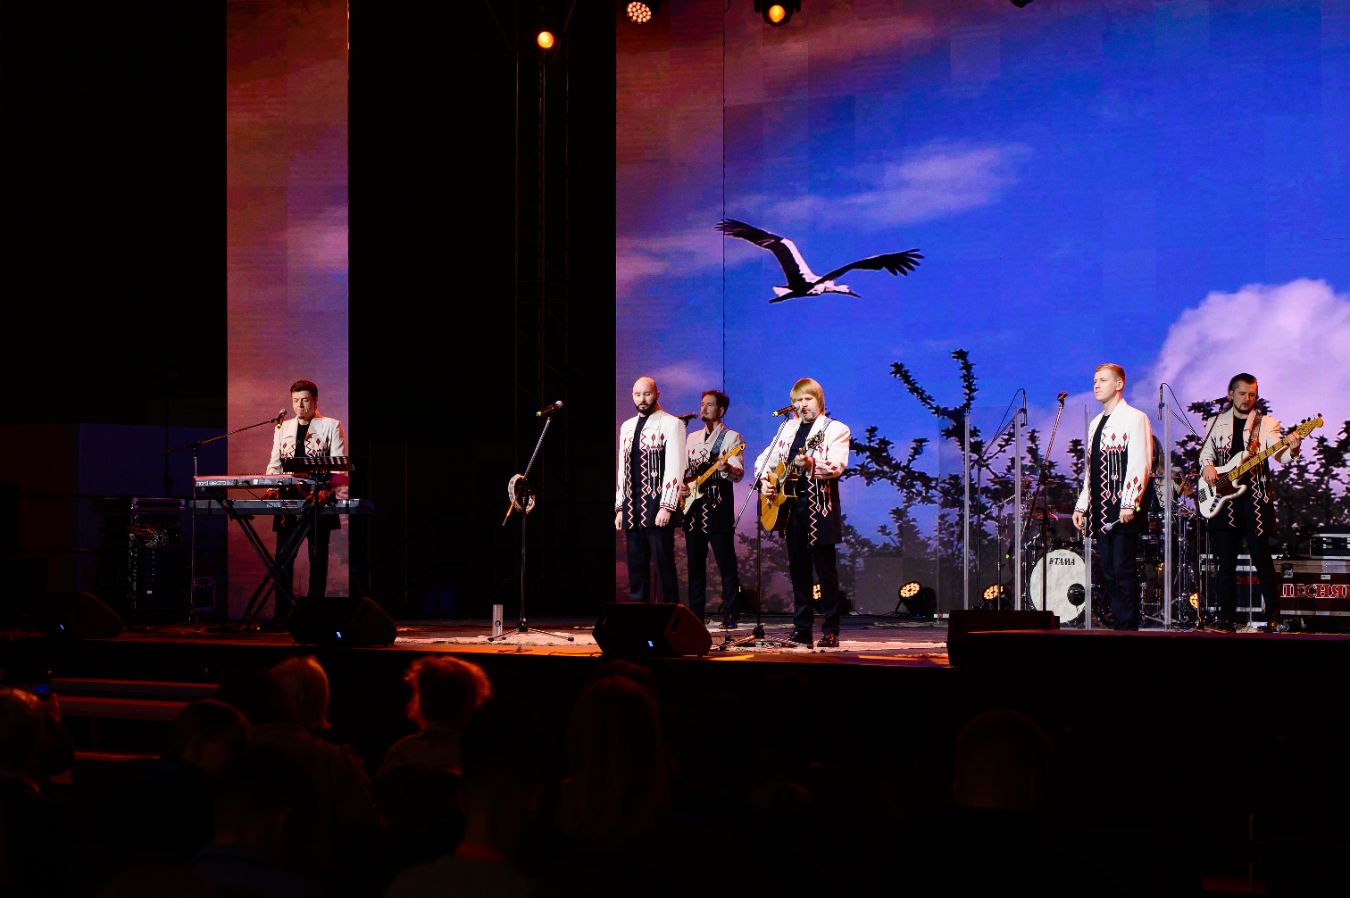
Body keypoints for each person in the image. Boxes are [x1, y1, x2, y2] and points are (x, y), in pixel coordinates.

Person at [1199, 373, 1301, 632]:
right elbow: (1206, 454)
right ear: (1231, 394)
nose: (1247, 398)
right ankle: (1226, 618)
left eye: (1252, 394)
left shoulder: (1266, 423)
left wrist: (1293, 448)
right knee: (1225, 562)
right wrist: (1208, 466)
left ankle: (1273, 617)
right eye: (1242, 393)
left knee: (1262, 559)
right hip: (1223, 498)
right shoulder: (1215, 422)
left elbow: (1279, 454)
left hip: (1255, 499)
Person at [754, 378, 851, 648]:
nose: (802, 405)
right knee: (798, 571)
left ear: (819, 400)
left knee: (825, 571)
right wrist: (766, 481)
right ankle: (802, 629)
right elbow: (765, 459)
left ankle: (830, 630)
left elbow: (837, 465)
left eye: (807, 399)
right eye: (798, 400)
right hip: (790, 508)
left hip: (820, 507)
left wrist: (810, 463)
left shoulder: (835, 429)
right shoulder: (787, 428)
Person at [1072, 364, 1152, 630]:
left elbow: (1139, 462)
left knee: (1123, 569)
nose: (1096, 385)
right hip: (1101, 509)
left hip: (1122, 509)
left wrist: (1130, 502)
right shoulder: (1095, 423)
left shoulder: (1135, 417)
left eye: (1103, 380)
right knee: (1109, 571)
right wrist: (1082, 505)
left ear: (1118, 384)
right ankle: (1119, 625)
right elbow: (1091, 470)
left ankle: (1128, 627)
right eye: (1095, 380)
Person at [265, 379, 348, 620]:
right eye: (295, 401)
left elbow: (339, 467)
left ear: (315, 400)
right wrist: (272, 487)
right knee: (283, 559)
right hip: (289, 499)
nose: (300, 406)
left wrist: (326, 490)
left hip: (318, 498)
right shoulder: (282, 427)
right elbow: (274, 465)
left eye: (305, 400)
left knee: (317, 558)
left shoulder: (331, 425)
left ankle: (314, 615)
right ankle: (282, 615)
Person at [678, 389, 745, 628]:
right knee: (695, 565)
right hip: (694, 508)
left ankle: (730, 613)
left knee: (726, 563)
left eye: (709, 405)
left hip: (718, 506)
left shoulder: (731, 437)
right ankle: (695, 615)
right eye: (702, 404)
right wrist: (682, 486)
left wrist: (727, 467)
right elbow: (684, 470)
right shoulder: (692, 437)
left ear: (721, 410)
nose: (703, 408)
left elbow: (738, 473)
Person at [615, 376, 686, 603]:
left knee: (663, 564)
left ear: (657, 394)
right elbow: (622, 469)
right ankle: (640, 614)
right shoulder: (627, 427)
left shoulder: (671, 423)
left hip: (657, 505)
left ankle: (670, 613)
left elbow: (675, 466)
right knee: (636, 565)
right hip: (632, 506)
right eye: (637, 395)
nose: (642, 399)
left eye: (647, 394)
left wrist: (667, 506)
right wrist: (620, 507)